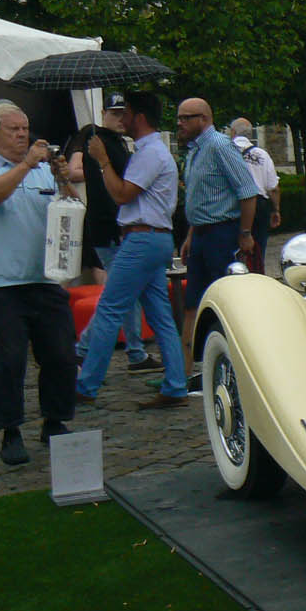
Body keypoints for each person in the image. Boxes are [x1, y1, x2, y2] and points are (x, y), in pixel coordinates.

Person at [0, 103, 80, 465]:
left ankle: (55, 420)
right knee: (7, 360)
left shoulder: (43, 171)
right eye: (14, 129)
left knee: (61, 354)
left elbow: (72, 209)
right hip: (3, 282)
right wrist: (26, 165)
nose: (22, 135)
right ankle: (10, 430)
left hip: (46, 277)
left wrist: (62, 179)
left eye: (25, 128)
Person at [75, 91, 188, 409]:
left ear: (139, 117)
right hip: (154, 238)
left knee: (110, 309)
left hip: (141, 239)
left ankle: (87, 385)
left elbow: (122, 194)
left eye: (125, 113)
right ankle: (175, 385)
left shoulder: (149, 154)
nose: (121, 118)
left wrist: (103, 161)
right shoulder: (151, 151)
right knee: (160, 316)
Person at [65, 93, 155, 372]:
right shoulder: (99, 142)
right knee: (118, 295)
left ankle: (135, 351)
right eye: (114, 113)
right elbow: (104, 191)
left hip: (115, 226)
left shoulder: (115, 142)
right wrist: (119, 225)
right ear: (104, 113)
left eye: (122, 113)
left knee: (125, 292)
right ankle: (84, 350)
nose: (120, 118)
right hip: (111, 228)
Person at [175, 98, 261, 382]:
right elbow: (199, 197)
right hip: (201, 235)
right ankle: (183, 374)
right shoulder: (195, 151)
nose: (179, 123)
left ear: (203, 118)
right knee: (192, 302)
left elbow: (247, 191)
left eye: (185, 118)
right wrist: (191, 234)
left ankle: (233, 368)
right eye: (179, 118)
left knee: (224, 303)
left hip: (222, 235)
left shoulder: (220, 146)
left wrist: (245, 233)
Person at [228, 118, 281, 273]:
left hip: (233, 204)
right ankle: (256, 274)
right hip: (259, 207)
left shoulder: (227, 153)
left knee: (232, 250)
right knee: (257, 250)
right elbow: (273, 188)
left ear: (233, 132)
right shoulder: (262, 155)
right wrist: (275, 210)